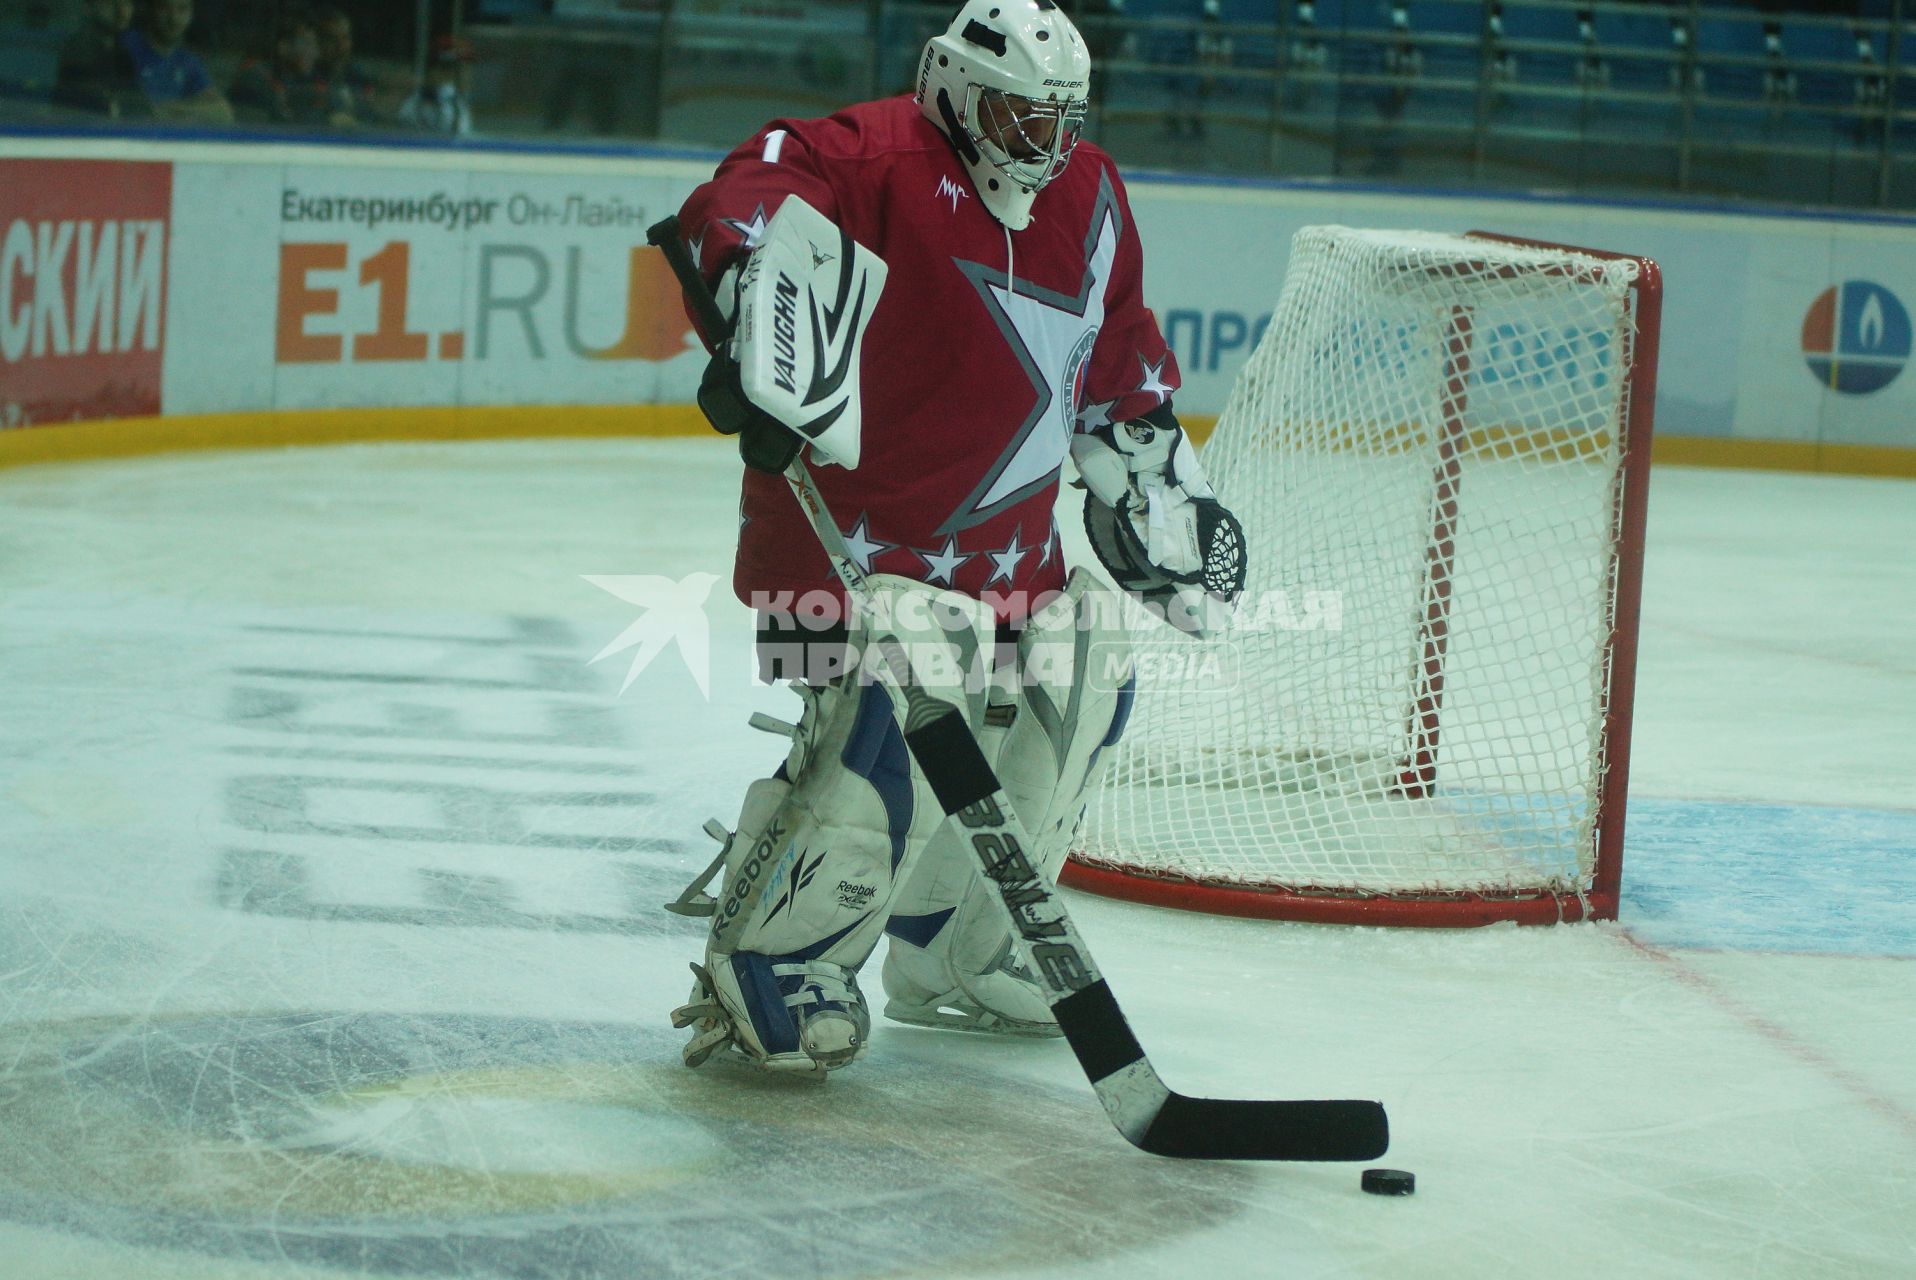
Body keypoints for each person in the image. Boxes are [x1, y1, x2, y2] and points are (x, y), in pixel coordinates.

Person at [664, 0, 1246, 1075]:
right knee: (913, 671)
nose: (1041, 147)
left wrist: (1150, 486)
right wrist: (754, 285)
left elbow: (1113, 358)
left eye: (1056, 122)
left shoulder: (1091, 195)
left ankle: (960, 941)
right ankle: (782, 958)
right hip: (847, 556)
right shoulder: (873, 154)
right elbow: (749, 186)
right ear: (949, 85)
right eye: (1016, 119)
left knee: (1086, 662)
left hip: (1009, 565)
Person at [228, 8, 356, 129]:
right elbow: (275, 122)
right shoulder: (255, 77)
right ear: (284, 47)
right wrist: (327, 121)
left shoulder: (314, 79)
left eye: (314, 45)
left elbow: (337, 106)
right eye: (307, 44)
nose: (315, 53)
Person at [122, 0, 233, 123]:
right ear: (150, 10)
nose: (173, 18)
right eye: (164, 8)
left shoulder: (187, 61)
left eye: (182, 9)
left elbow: (222, 113)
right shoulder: (126, 49)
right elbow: (125, 109)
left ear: (191, 15)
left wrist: (164, 110)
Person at [54, 0, 141, 118]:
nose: (122, 10)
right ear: (89, 7)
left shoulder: (122, 51)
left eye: (126, 2)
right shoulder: (80, 51)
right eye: (110, 2)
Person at [396, 34, 475, 137]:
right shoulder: (421, 102)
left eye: (466, 67)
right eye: (448, 68)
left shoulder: (457, 100)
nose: (466, 74)